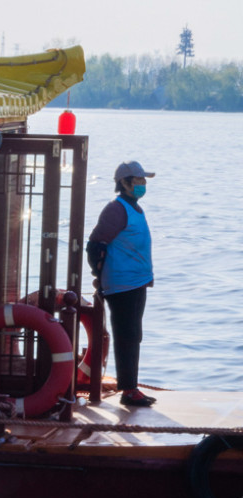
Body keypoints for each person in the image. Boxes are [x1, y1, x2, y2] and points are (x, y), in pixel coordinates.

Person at [86, 161, 156, 408]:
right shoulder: (116, 210)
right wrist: (99, 274)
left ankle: (131, 387)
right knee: (127, 335)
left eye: (143, 181)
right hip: (122, 285)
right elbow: (95, 245)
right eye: (138, 181)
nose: (143, 184)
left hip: (136, 283)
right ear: (124, 183)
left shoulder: (135, 208)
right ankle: (128, 391)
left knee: (133, 335)